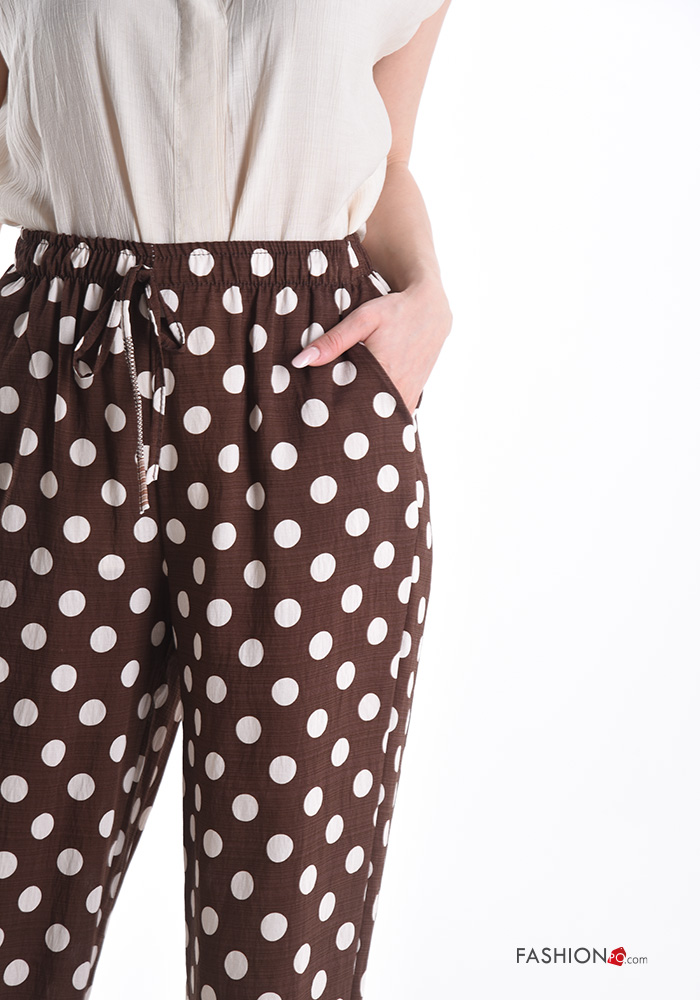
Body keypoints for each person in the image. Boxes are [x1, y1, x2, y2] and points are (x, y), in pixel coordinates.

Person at [0, 2, 453, 998]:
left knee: (284, 928)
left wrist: (425, 294)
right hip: (59, 382)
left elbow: (387, 165)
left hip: (311, 406)